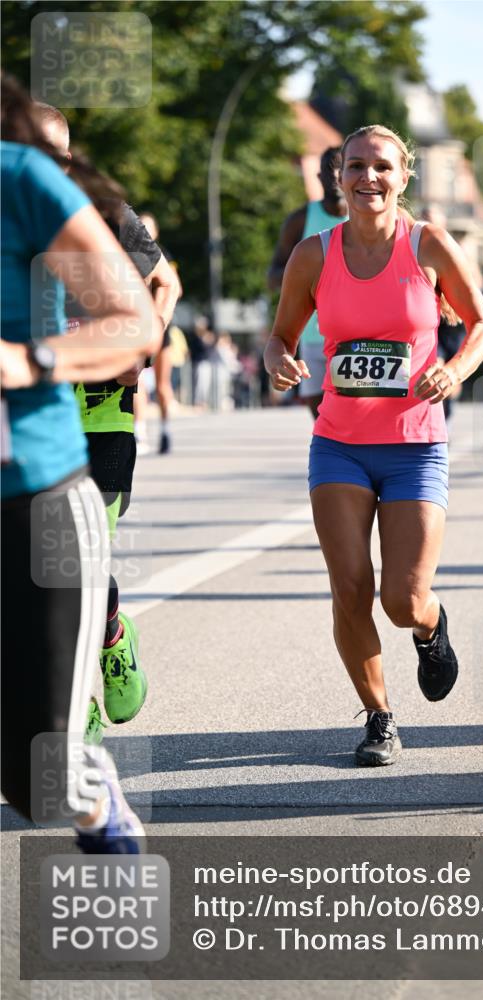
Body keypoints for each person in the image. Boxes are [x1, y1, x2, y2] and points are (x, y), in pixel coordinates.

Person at [264, 125, 483, 766]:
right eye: (355, 166)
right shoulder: (313, 254)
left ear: (404, 176)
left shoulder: (430, 246)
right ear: (338, 176)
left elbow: (482, 324)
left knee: (402, 600)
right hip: (338, 443)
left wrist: (455, 369)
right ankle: (379, 717)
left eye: (382, 168)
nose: (369, 178)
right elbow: (279, 335)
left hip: (416, 446)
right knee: (349, 587)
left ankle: (431, 625)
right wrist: (277, 359)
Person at [1, 75, 162, 851]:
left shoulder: (27, 182)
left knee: (43, 779)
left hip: (40, 474)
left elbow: (139, 312)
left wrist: (29, 360)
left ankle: (104, 815)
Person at [35, 103, 181, 738]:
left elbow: (165, 285)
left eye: (56, 156)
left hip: (100, 417)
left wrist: (141, 349)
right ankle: (76, 705)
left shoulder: (102, 214)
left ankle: (110, 640)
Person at [268, 147, 348, 419]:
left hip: (355, 335)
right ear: (318, 176)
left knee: (355, 418)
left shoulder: (366, 219)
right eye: (328, 170)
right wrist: (309, 273)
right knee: (323, 420)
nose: (335, 176)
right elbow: (273, 276)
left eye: (342, 168)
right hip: (313, 337)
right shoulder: (300, 220)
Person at [138, 211, 183, 453]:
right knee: (138, 382)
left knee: (162, 383)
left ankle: (165, 430)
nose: (144, 230)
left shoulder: (163, 255)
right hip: (137, 325)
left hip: (161, 326)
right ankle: (139, 433)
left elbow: (176, 288)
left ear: (155, 231)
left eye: (148, 227)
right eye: (140, 226)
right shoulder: (127, 252)